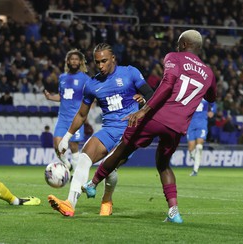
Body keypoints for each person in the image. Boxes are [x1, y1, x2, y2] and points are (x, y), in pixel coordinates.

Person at [82, 30, 217, 224]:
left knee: (123, 148)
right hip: (178, 126)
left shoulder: (174, 57)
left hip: (157, 116)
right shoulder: (209, 72)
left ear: (185, 45)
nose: (177, 47)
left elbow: (168, 83)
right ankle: (174, 212)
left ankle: (93, 184)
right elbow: (212, 97)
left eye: (179, 44)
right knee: (163, 164)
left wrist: (144, 110)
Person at [48, 43, 154, 217]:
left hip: (131, 131)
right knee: (84, 157)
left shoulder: (130, 73)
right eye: (97, 62)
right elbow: (82, 115)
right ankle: (69, 204)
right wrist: (66, 137)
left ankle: (106, 199)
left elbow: (152, 95)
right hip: (109, 129)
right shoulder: (92, 84)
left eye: (104, 61)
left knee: (108, 167)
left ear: (113, 58)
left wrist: (143, 105)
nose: (100, 66)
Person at [43, 49, 91, 171]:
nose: (74, 61)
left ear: (80, 62)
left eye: (76, 59)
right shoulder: (62, 78)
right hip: (63, 118)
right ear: (68, 62)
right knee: (57, 145)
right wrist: (50, 97)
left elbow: (90, 97)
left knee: (74, 146)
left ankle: (76, 174)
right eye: (72, 59)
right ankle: (67, 165)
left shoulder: (85, 79)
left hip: (76, 118)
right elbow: (62, 96)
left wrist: (85, 115)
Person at [187, 99, 216, 176]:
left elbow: (213, 104)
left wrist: (212, 111)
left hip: (202, 122)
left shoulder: (206, 96)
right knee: (191, 150)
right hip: (191, 123)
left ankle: (195, 170)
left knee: (199, 146)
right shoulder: (191, 95)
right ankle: (197, 160)